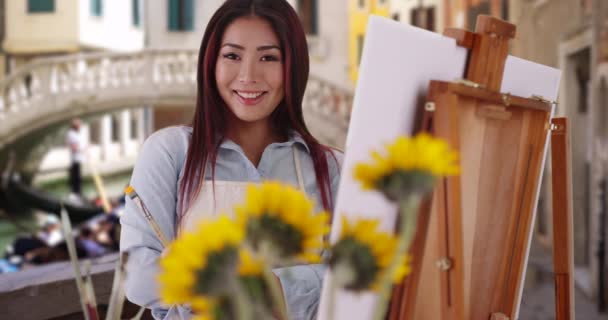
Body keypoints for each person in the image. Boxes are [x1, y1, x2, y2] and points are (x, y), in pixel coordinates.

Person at [119, 1, 343, 319]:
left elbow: (350, 277)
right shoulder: (169, 152)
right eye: (232, 56)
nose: (248, 75)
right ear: (211, 63)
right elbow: (138, 276)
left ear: (293, 66)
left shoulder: (330, 167)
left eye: (268, 57)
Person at [66, 118, 84, 196]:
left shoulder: (75, 134)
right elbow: (74, 148)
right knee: (76, 179)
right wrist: (83, 149)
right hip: (75, 160)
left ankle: (77, 194)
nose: (80, 126)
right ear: (76, 126)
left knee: (78, 179)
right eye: (79, 125)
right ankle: (76, 194)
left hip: (77, 160)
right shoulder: (72, 134)